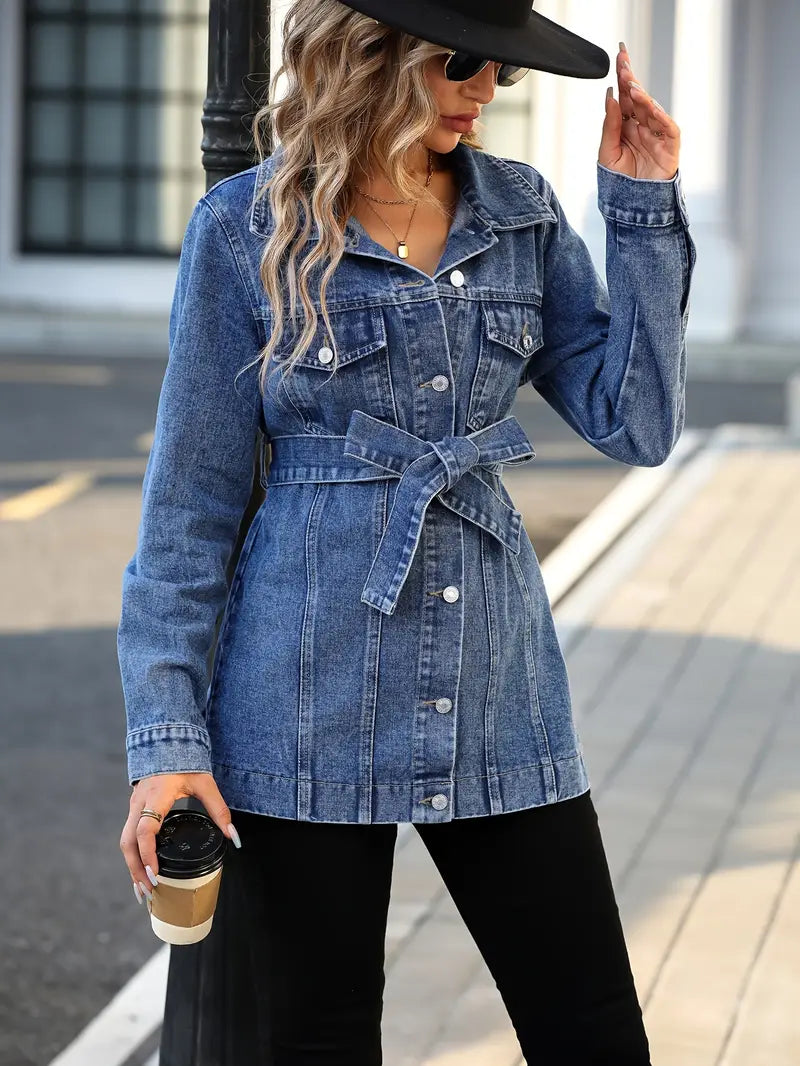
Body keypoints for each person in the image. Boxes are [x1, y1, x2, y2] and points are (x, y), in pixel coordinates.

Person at [117, 0, 697, 1061]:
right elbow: (188, 512)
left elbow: (637, 422)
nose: (485, 91)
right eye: (463, 62)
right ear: (369, 54)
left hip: (495, 691)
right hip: (299, 703)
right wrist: (167, 742)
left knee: (592, 1030)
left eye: (502, 72)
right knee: (321, 1039)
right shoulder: (244, 228)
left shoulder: (519, 213)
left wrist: (642, 205)